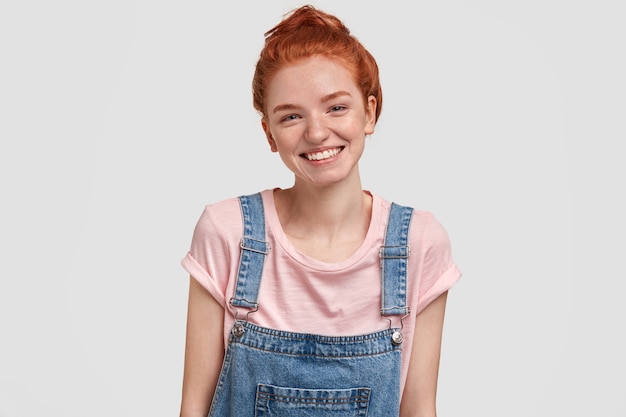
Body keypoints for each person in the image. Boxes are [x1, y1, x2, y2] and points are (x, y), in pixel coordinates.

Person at [179, 5, 461, 416]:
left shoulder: (419, 242)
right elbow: (193, 409)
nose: (315, 132)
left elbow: (419, 409)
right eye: (291, 116)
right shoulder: (229, 232)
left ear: (371, 111)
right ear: (269, 134)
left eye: (336, 107)